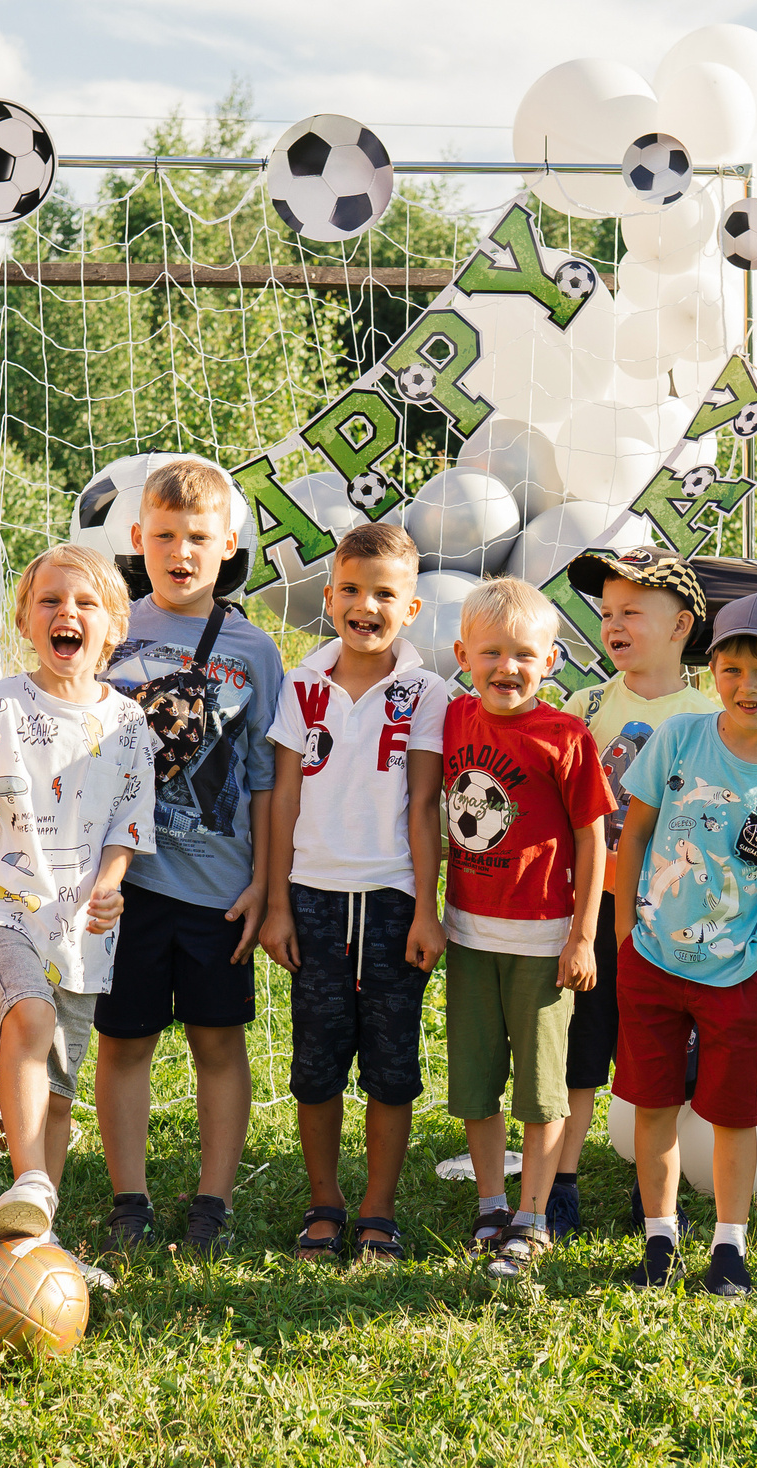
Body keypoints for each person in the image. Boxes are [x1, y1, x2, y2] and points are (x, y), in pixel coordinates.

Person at [92, 459, 288, 1257]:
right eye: (166, 535)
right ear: (139, 538)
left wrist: (266, 888)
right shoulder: (109, 626)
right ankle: (129, 1200)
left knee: (218, 1042)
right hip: (128, 885)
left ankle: (213, 1200)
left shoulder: (254, 650)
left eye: (199, 537)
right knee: (125, 1042)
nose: (181, 552)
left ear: (228, 544)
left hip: (219, 888)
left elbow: (269, 780)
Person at [612, 592, 757, 1298]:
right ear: (711, 673)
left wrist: (755, 973)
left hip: (734, 977)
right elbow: (634, 836)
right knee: (653, 1104)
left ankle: (728, 1247)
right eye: (733, 668)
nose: (748, 686)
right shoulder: (679, 739)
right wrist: (624, 935)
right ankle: (659, 1238)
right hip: (651, 960)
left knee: (733, 1113)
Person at [0, 544, 155, 1263]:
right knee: (28, 1014)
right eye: (51, 601)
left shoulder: (129, 723)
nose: (68, 612)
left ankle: (38, 1228)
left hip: (81, 933)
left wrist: (111, 882)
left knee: (59, 1092)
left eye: (86, 603)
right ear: (27, 621)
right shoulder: (1, 702)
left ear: (114, 627)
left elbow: (129, 824)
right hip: (1, 907)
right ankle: (29, 1175)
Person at [259, 523, 450, 1264]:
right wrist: (278, 903)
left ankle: (378, 1208)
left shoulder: (426, 692)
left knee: (392, 1064)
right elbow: (282, 798)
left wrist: (427, 908)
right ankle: (324, 1202)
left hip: (394, 901)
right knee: (316, 1061)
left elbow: (424, 805)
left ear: (411, 608)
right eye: (350, 590)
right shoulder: (301, 685)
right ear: (329, 596)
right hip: (312, 897)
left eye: (383, 594)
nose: (364, 606)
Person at [438, 576, 612, 1279]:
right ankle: (491, 1205)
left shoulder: (565, 737)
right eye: (491, 652)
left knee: (541, 1090)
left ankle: (533, 1216)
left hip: (542, 942)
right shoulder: (453, 719)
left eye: (523, 654)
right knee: (475, 1084)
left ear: (551, 661)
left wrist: (583, 935)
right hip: (468, 936)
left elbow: (593, 839)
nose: (506, 667)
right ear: (463, 655)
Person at [554, 547, 720, 1241]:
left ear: (681, 626)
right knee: (579, 1050)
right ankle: (559, 1183)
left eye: (632, 612)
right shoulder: (587, 705)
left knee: (658, 1056)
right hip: (592, 910)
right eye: (607, 613)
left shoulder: (710, 714)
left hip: (669, 919)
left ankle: (653, 1191)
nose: (614, 625)